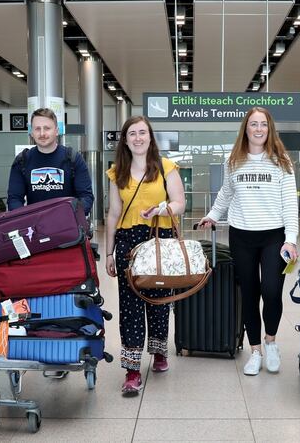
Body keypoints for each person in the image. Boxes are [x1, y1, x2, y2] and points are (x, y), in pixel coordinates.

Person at [197, 107, 298, 376]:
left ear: (269, 128)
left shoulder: (282, 161)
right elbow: (225, 195)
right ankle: (255, 351)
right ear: (246, 129)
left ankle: (271, 342)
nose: (258, 129)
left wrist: (291, 239)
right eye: (253, 124)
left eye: (263, 124)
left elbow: (290, 203)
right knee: (250, 295)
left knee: (272, 291)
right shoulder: (235, 161)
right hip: (241, 235)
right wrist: (211, 215)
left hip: (273, 236)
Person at [104, 116, 186, 396]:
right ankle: (132, 370)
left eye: (143, 133)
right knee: (130, 307)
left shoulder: (166, 168)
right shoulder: (117, 173)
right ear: (125, 140)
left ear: (150, 137)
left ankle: (159, 351)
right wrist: (108, 252)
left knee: (159, 301)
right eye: (132, 134)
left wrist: (161, 210)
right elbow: (114, 213)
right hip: (128, 242)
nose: (138, 138)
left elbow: (179, 203)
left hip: (159, 239)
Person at [7, 108, 94, 214]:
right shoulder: (22, 161)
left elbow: (86, 197)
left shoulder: (73, 158)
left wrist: (68, 217)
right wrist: (25, 220)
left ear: (57, 131)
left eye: (47, 128)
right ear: (31, 132)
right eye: (37, 129)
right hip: (34, 226)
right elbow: (14, 199)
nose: (42, 133)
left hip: (67, 226)